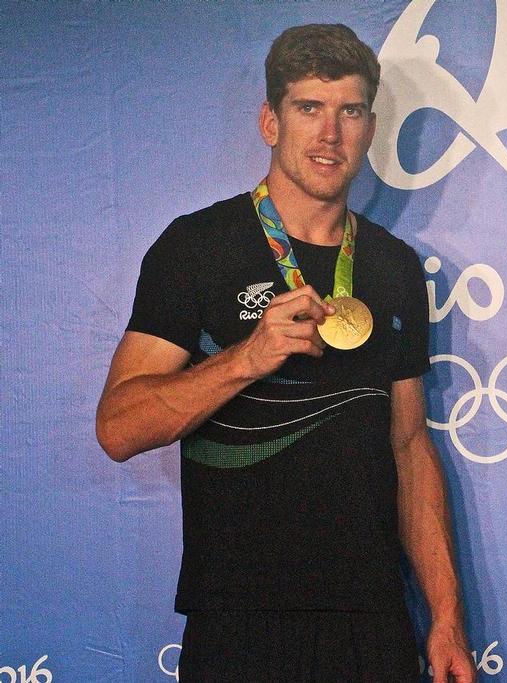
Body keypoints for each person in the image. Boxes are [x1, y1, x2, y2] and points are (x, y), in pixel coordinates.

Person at [96, 23, 474, 683]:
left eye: (349, 111)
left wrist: (445, 615)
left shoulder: (393, 267)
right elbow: (119, 426)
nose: (330, 134)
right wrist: (246, 357)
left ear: (369, 125)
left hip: (373, 619)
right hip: (241, 621)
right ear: (270, 121)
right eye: (309, 109)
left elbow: (410, 446)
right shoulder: (196, 247)